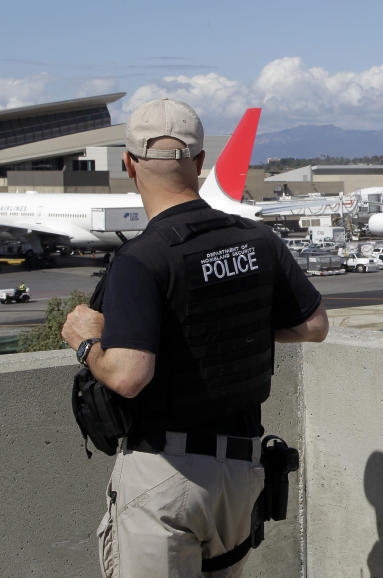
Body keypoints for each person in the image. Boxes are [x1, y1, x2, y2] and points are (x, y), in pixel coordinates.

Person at [61, 99, 328, 577]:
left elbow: (128, 375)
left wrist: (84, 341)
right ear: (201, 163)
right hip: (241, 474)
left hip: (167, 475)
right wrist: (223, 326)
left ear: (128, 165)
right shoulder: (257, 240)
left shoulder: (142, 259)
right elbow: (314, 325)